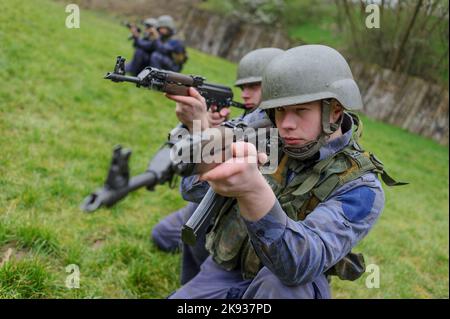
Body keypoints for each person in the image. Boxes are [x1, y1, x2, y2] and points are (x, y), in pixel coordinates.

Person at [166, 45, 402, 299]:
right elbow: (191, 191)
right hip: (228, 269)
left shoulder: (359, 186)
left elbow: (299, 265)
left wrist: (253, 191)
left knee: (281, 284)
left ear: (334, 110)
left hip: (284, 285)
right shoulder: (264, 135)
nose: (287, 124)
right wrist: (201, 135)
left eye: (301, 110)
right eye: (280, 110)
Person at [151, 48, 285, 285]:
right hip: (211, 205)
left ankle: (203, 279)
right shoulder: (245, 120)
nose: (245, 94)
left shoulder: (273, 133)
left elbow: (195, 189)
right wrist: (206, 129)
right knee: (161, 235)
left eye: (254, 86)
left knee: (196, 219)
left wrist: (202, 130)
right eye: (242, 87)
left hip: (235, 218)